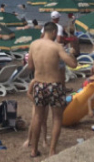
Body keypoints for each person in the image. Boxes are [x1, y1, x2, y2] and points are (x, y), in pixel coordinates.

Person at [27, 21, 78, 157]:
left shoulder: (33, 45)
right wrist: (72, 53)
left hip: (39, 84)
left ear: (44, 31)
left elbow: (30, 66)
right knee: (56, 118)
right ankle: (52, 150)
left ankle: (34, 150)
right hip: (54, 85)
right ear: (54, 32)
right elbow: (73, 64)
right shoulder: (56, 47)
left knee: (37, 117)